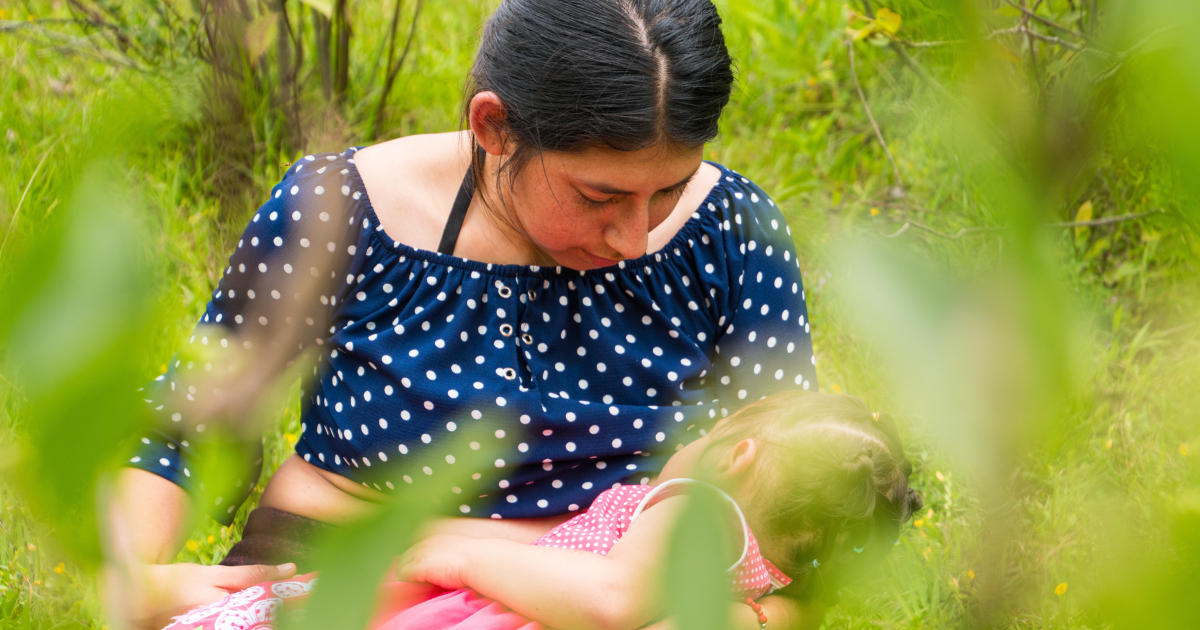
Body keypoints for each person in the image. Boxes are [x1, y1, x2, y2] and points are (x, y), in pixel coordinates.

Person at [102, 0, 820, 628]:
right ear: (494, 127)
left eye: (667, 192)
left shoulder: (729, 229)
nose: (633, 239)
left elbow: (807, 492)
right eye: (599, 198)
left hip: (606, 596)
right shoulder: (343, 209)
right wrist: (128, 577)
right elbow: (187, 431)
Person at [160, 392, 920, 630]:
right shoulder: (763, 577)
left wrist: (465, 558)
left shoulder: (697, 509)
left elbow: (613, 598)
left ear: (736, 456)